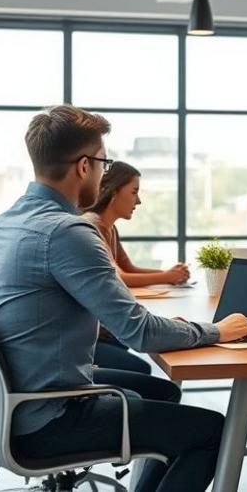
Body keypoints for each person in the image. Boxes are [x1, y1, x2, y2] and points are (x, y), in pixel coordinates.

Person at [0, 105, 247, 492]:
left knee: (163, 391)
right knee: (213, 432)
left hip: (14, 405)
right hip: (50, 417)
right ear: (83, 166)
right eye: (103, 163)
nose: (103, 172)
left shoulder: (6, 222)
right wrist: (216, 331)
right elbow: (138, 333)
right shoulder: (67, 232)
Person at [80, 160, 190, 378]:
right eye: (134, 192)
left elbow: (128, 267)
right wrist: (167, 276)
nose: (138, 201)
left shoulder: (109, 228)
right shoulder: (91, 225)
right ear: (113, 192)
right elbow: (120, 278)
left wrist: (170, 275)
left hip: (109, 331)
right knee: (144, 367)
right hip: (97, 336)